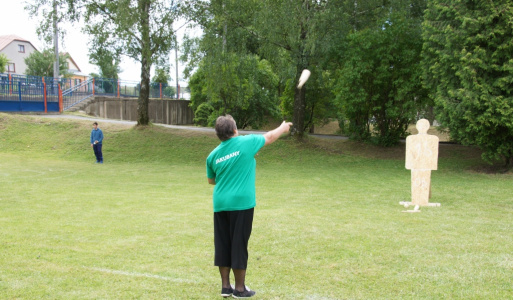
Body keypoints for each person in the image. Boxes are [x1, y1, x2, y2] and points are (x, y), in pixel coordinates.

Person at [206, 115, 292, 298]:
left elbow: (211, 180)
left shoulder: (212, 155)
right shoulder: (247, 142)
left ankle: (225, 287)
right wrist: (283, 128)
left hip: (220, 204)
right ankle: (239, 289)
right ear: (235, 130)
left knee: (223, 244)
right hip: (241, 204)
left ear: (218, 135)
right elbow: (269, 137)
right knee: (238, 244)